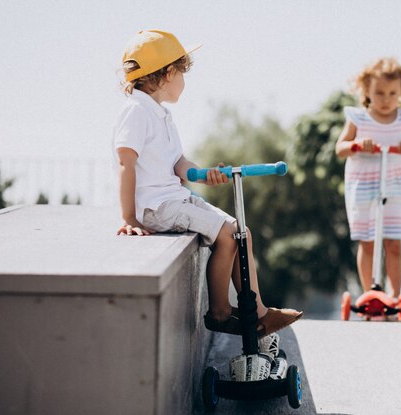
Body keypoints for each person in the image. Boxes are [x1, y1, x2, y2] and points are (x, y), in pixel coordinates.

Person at [113, 29, 302, 337]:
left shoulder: (162, 116)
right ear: (168, 73)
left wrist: (205, 175)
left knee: (241, 232)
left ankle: (261, 313)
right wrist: (129, 217)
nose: (184, 83)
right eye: (182, 75)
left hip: (175, 199)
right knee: (227, 235)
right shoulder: (136, 112)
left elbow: (178, 164)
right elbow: (126, 162)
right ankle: (219, 312)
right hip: (156, 207)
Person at [335, 57, 401, 300]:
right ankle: (370, 296)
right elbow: (340, 148)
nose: (386, 99)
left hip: (394, 184)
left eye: (392, 93)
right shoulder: (359, 118)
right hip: (363, 183)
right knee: (366, 242)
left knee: (393, 241)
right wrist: (356, 145)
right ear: (367, 91)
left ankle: (395, 298)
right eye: (379, 93)